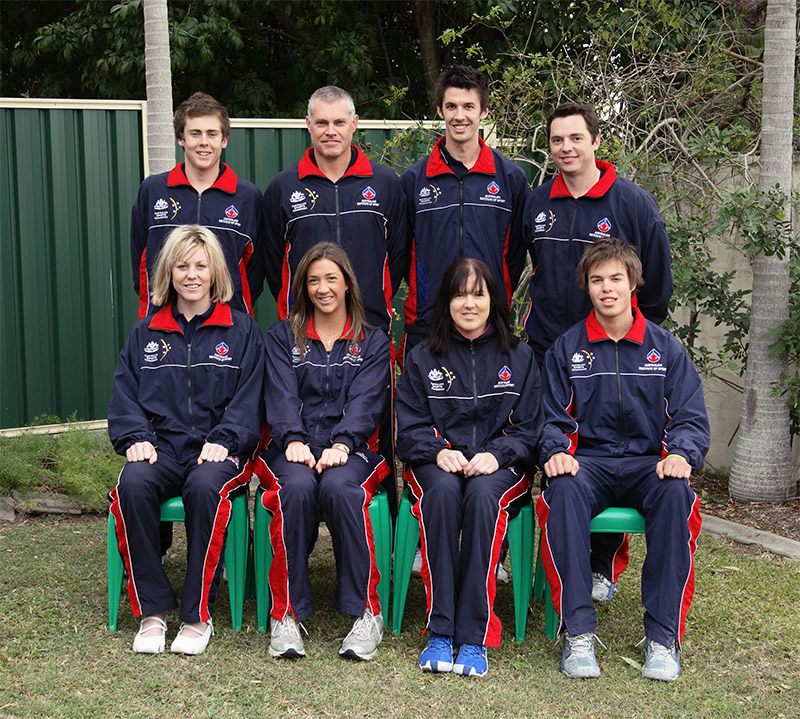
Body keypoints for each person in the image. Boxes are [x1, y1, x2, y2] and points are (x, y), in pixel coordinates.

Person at [536, 238, 709, 681]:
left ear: (633, 283)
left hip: (648, 464)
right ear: (586, 287)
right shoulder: (568, 349)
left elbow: (690, 418)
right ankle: (577, 633)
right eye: (597, 280)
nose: (607, 289)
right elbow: (552, 418)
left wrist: (681, 456)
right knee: (562, 492)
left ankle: (662, 638)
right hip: (588, 465)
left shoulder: (665, 348)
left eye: (616, 279)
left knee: (677, 495)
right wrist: (555, 451)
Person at [525, 102, 674, 601]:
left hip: (614, 356)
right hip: (549, 350)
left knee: (612, 446)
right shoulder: (537, 201)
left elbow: (654, 284)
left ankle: (601, 564)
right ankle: (532, 552)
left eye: (575, 138)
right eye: (557, 140)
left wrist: (628, 342)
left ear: (595, 141)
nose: (566, 148)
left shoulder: (631, 203)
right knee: (552, 452)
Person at [108, 225, 265, 656]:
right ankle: (153, 611)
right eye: (182, 266)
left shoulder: (243, 330)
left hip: (217, 451)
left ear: (215, 272)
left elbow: (251, 397)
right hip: (161, 448)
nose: (192, 275)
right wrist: (136, 438)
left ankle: (196, 615)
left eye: (200, 265)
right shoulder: (146, 332)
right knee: (132, 486)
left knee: (203, 486)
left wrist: (228, 439)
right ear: (169, 272)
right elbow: (125, 394)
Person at [262, 85, 408, 515]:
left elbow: (396, 257)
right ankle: (299, 533)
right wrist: (304, 307)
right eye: (321, 122)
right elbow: (275, 265)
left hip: (368, 335)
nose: (330, 131)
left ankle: (385, 537)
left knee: (374, 437)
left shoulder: (385, 184)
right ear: (308, 125)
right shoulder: (283, 187)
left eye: (339, 122)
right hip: (304, 339)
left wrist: (367, 304)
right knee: (299, 436)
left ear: (354, 125)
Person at [395, 258, 542, 678]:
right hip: (438, 462)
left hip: (499, 464)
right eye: (460, 294)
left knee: (482, 499)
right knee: (441, 494)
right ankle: (441, 631)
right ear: (447, 300)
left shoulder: (520, 356)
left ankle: (474, 637)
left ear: (493, 299)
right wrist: (436, 450)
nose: (469, 303)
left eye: (478, 293)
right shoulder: (423, 356)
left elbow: (530, 429)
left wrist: (498, 453)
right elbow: (409, 426)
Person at [255, 242, 391, 661]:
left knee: (341, 489)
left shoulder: (372, 341)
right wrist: (293, 439)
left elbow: (368, 401)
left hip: (351, 450)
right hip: (289, 447)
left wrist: (342, 443)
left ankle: (367, 613)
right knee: (294, 489)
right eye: (313, 280)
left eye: (331, 278)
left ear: (348, 282)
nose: (323, 288)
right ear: (302, 286)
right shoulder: (282, 336)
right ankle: (287, 614)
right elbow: (278, 395)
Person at [400, 64, 529, 358]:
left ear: (483, 111)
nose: (460, 116)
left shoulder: (510, 179)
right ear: (439, 110)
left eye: (469, 106)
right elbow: (402, 251)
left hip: (490, 323)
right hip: (428, 323)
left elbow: (515, 256)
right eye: (452, 106)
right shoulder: (414, 180)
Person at [130, 92, 265, 319]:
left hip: (229, 326)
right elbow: (142, 264)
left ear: (224, 140)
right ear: (181, 138)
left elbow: (255, 271)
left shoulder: (247, 196)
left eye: (212, 134)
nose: (204, 142)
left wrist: (232, 305)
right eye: (195, 134)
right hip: (163, 324)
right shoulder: (153, 191)